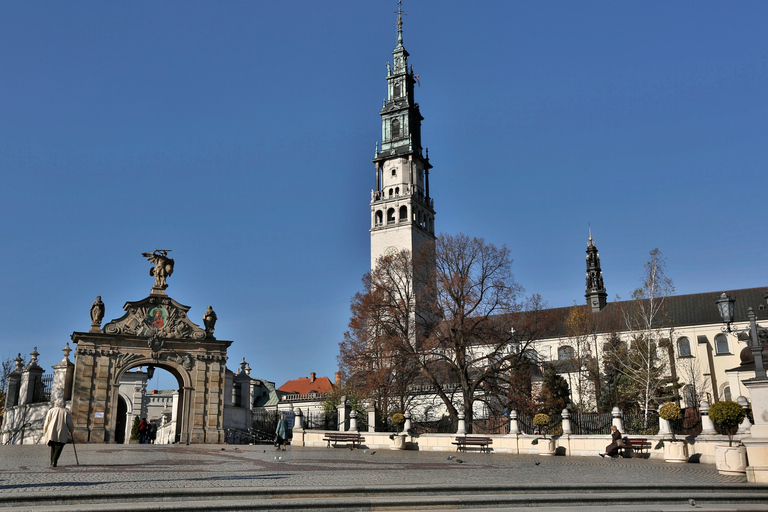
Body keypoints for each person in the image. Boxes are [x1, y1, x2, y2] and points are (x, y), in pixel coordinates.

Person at [43, 399, 74, 468]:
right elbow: (70, 423)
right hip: (62, 430)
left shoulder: (51, 411)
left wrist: (45, 430)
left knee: (53, 445)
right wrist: (71, 430)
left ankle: (52, 461)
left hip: (52, 430)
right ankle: (54, 461)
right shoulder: (66, 412)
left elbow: (47, 421)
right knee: (59, 446)